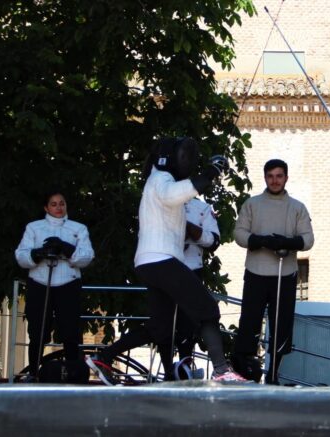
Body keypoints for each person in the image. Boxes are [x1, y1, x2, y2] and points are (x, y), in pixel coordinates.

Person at [88, 136, 245, 383]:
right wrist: (209, 173)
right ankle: (222, 370)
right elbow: (174, 194)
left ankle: (104, 357)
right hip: (161, 261)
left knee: (159, 328)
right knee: (206, 308)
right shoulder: (161, 179)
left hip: (150, 263)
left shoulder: (156, 180)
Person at [86, 196, 220, 383]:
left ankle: (183, 369)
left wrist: (190, 229)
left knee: (185, 324)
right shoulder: (158, 205)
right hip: (164, 268)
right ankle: (168, 370)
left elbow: (213, 241)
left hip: (190, 269)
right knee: (162, 326)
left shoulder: (202, 208)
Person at [232, 159, 314, 384]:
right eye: (271, 176)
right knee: (249, 322)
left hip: (284, 274)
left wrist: (289, 242)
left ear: (286, 178)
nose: (275, 180)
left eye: (279, 176)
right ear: (265, 177)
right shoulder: (252, 204)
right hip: (256, 272)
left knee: (282, 324)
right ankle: (247, 371)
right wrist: (259, 240)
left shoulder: (297, 207)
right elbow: (239, 233)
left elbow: (308, 239)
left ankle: (274, 373)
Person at [15, 190, 94, 381]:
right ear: (46, 207)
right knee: (38, 330)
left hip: (68, 282)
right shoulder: (34, 228)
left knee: (70, 331)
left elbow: (87, 256)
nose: (59, 207)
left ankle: (73, 374)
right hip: (40, 282)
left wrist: (67, 249)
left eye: (62, 203)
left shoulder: (78, 228)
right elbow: (21, 255)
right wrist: (38, 253)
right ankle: (33, 373)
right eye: (54, 204)